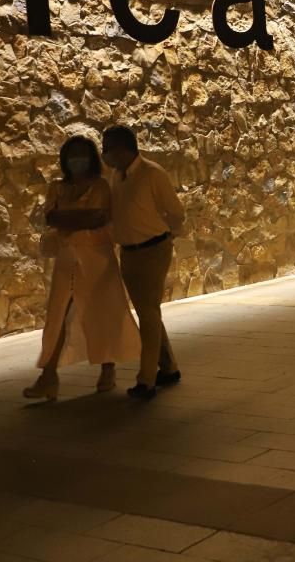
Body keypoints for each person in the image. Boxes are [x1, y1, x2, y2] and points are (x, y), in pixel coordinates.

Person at [25, 136, 142, 401]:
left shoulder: (101, 186)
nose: (76, 160)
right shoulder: (58, 187)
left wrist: (69, 219)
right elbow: (51, 217)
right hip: (67, 261)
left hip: (97, 259)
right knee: (57, 316)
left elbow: (98, 217)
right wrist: (78, 219)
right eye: (71, 155)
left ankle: (107, 368)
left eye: (81, 154)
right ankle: (48, 375)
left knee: (104, 313)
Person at [101, 125, 185, 400]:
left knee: (148, 313)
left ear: (124, 148)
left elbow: (176, 211)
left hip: (152, 249)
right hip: (129, 252)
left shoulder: (152, 173)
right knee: (147, 311)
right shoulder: (117, 175)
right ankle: (168, 367)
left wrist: (165, 235)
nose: (105, 155)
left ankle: (146, 379)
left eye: (108, 148)